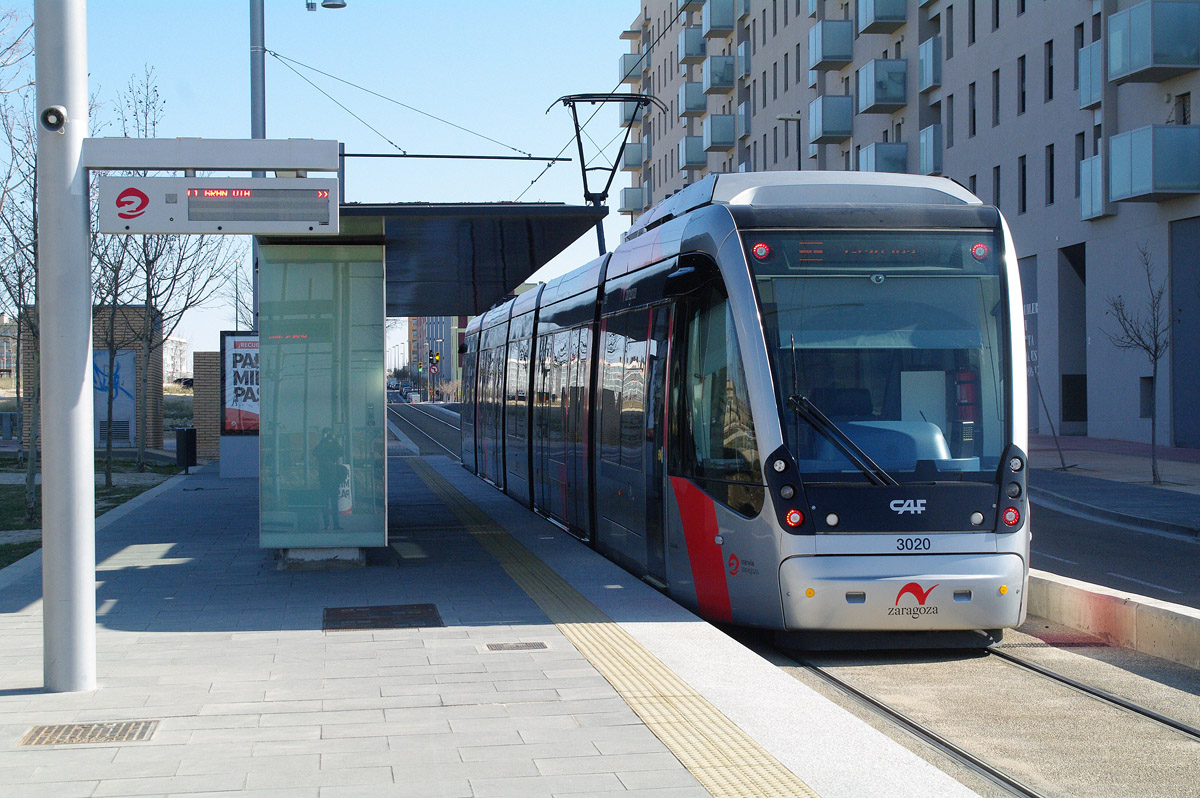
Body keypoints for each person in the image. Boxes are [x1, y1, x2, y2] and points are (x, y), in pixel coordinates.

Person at [312, 428, 343, 530]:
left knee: (334, 502)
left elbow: (340, 452)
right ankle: (327, 524)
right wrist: (323, 441)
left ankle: (336, 524)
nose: (328, 436)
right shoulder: (322, 445)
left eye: (329, 434)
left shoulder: (334, 445)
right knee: (325, 502)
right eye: (326, 434)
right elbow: (315, 452)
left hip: (333, 478)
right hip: (325, 478)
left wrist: (335, 440)